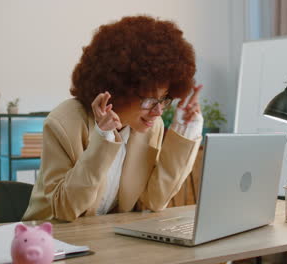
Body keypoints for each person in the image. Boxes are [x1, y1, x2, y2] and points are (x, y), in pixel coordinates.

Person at [22, 15, 204, 222]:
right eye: (149, 100)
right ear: (118, 89)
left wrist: (184, 130)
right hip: (51, 242)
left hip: (109, 242)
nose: (158, 111)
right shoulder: (64, 123)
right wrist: (103, 141)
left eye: (163, 99)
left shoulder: (151, 128)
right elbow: (65, 209)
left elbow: (153, 202)